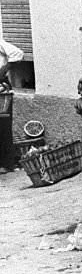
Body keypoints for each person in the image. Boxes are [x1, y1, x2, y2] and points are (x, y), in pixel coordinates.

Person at [0, 38, 24, 173]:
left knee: (3, 125)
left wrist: (3, 69)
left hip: (1, 88)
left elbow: (17, 53)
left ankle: (7, 163)